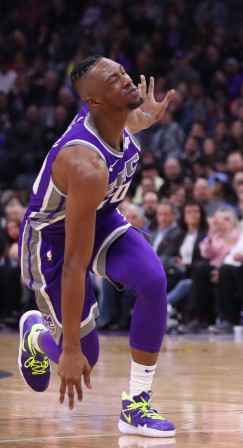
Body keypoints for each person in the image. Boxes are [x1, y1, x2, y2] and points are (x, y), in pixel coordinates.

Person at [17, 56, 176, 437]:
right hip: (53, 240)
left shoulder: (119, 118)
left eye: (122, 71)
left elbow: (134, 120)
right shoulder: (86, 164)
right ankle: (37, 335)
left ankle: (136, 406)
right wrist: (68, 348)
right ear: (94, 103)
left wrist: (149, 117)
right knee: (83, 356)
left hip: (100, 217)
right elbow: (76, 261)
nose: (125, 79)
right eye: (113, 80)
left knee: (153, 280)